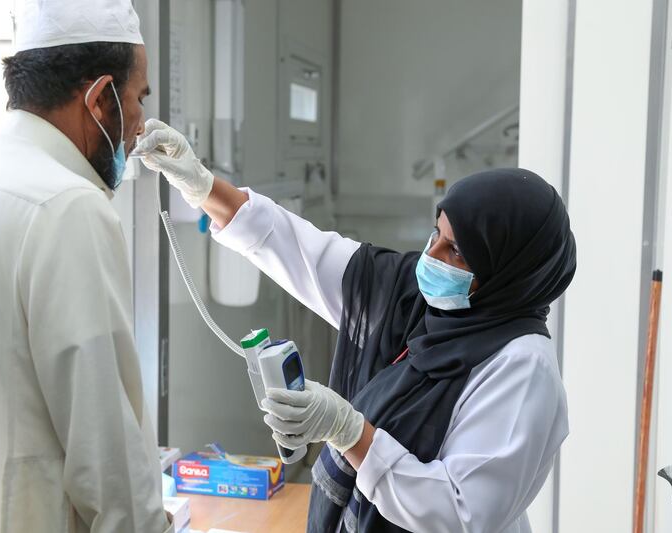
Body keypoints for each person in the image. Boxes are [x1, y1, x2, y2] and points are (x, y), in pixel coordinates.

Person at [135, 120, 577, 533]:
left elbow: (458, 513)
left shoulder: (522, 369)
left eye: (457, 252)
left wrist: (350, 433)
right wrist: (201, 185)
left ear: (509, 271)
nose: (432, 257)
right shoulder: (409, 297)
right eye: (434, 235)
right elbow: (298, 248)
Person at [0, 1, 172, 532]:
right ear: (100, 98)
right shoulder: (68, 207)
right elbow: (108, 456)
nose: (140, 126)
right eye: (136, 100)